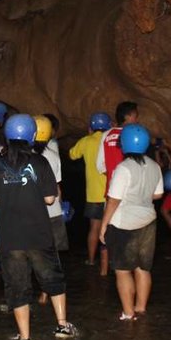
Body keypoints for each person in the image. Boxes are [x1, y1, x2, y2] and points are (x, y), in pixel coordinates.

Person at [0, 114, 77, 340]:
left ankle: (24, 337)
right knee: (52, 278)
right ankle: (62, 327)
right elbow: (49, 198)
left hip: (10, 237)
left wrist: (9, 197)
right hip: (38, 234)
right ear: (32, 136)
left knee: (17, 286)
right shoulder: (40, 162)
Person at [100, 124, 163, 321]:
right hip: (148, 221)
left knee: (122, 270)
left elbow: (114, 200)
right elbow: (158, 194)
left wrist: (104, 225)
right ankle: (141, 308)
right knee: (143, 268)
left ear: (124, 144)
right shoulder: (155, 166)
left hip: (124, 224)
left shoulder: (123, 168)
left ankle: (128, 313)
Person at [69, 112, 110, 273]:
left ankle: (92, 260)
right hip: (111, 194)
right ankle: (108, 263)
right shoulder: (109, 141)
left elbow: (72, 155)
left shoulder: (86, 141)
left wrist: (88, 138)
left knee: (94, 227)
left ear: (91, 127)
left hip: (93, 194)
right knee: (110, 229)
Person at [33, 115, 68, 252]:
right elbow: (57, 186)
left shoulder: (24, 156)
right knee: (54, 254)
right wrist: (61, 204)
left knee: (35, 254)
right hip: (53, 211)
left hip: (31, 213)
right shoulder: (53, 156)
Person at [96, 101, 139, 191]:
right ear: (127, 117)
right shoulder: (134, 135)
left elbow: (100, 165)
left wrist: (115, 177)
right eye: (135, 116)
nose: (137, 120)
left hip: (112, 190)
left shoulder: (106, 135)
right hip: (131, 191)